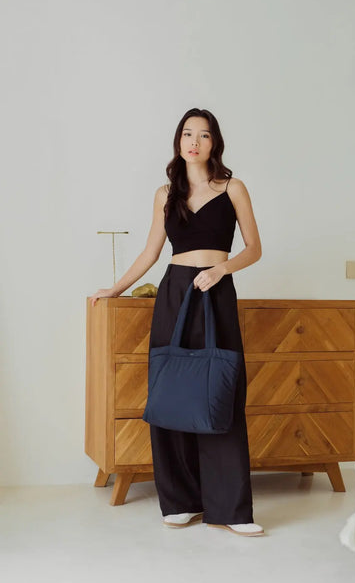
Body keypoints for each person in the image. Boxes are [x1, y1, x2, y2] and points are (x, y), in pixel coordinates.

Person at [89, 107, 264, 537]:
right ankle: (180, 501)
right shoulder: (165, 194)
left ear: (214, 143)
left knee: (221, 389)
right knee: (172, 390)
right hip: (174, 293)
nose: (194, 142)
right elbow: (151, 252)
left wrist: (222, 270)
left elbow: (254, 248)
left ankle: (232, 509)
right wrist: (115, 288)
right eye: (188, 134)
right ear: (178, 141)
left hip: (216, 291)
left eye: (203, 135)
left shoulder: (233, 187)